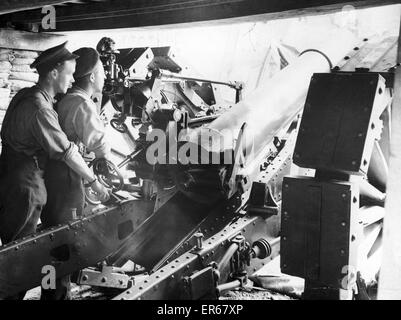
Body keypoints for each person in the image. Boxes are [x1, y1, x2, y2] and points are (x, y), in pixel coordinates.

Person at [0, 41, 109, 300]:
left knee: (14, 251)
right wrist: (94, 182)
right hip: (25, 185)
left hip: (10, 177)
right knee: (19, 258)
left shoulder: (24, 95)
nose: (72, 81)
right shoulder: (40, 109)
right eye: (70, 74)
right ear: (54, 73)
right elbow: (67, 151)